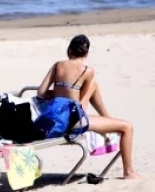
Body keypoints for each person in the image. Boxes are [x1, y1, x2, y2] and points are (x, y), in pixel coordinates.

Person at [36, 34, 140, 179]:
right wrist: (80, 91)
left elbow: (41, 93)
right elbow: (80, 106)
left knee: (92, 86)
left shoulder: (57, 66)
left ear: (69, 50)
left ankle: (107, 118)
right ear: (86, 53)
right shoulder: (87, 71)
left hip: (55, 117)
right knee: (127, 127)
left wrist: (60, 92)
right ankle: (129, 172)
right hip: (73, 121)